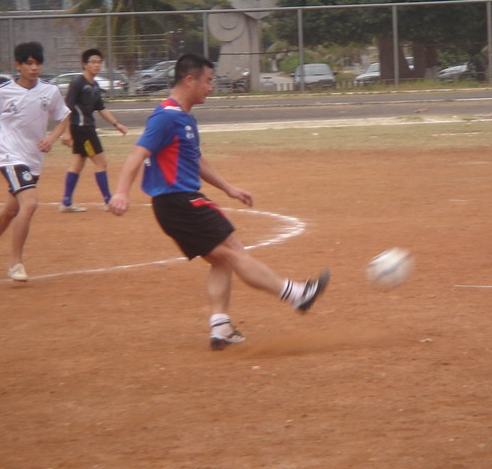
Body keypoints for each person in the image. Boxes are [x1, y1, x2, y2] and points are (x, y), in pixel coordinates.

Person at [109, 52, 329, 350]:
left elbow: (196, 160)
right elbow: (137, 154)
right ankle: (295, 294)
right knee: (234, 251)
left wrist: (228, 188)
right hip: (180, 201)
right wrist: (121, 192)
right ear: (190, 80)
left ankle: (220, 326)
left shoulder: (184, 118)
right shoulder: (166, 117)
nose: (211, 88)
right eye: (208, 81)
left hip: (177, 203)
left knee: (221, 260)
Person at [0, 42, 70, 282]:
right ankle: (16, 263)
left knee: (11, 210)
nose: (34, 68)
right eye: (29, 63)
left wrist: (52, 138)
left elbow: (64, 116)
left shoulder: (50, 91)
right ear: (18, 65)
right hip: (10, 156)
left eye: (38, 63)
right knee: (30, 203)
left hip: (34, 159)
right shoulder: (4, 92)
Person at [59, 49, 128, 213]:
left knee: (78, 162)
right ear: (85, 64)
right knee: (100, 162)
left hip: (86, 129)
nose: (97, 65)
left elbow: (101, 108)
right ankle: (108, 200)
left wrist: (117, 124)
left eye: (99, 62)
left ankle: (66, 202)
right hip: (83, 130)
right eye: (93, 62)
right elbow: (67, 108)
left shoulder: (94, 85)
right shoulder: (78, 83)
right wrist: (66, 132)